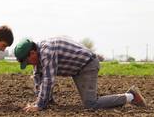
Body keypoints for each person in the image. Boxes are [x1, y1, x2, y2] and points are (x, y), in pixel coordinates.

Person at [14, 37, 146, 112]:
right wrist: (41, 100)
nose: (30, 64)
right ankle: (48, 100)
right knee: (43, 85)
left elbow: (48, 79)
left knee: (91, 104)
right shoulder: (39, 54)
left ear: (32, 53)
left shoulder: (47, 51)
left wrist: (39, 105)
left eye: (28, 61)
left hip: (87, 65)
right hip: (76, 69)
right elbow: (38, 77)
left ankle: (131, 96)